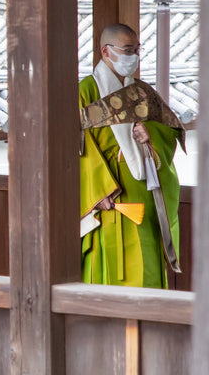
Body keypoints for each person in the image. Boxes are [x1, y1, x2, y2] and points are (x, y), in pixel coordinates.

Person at [79, 23, 185, 288]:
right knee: (110, 273)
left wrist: (151, 134)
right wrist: (97, 192)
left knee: (147, 268)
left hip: (145, 196)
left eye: (137, 49)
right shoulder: (85, 92)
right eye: (128, 50)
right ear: (106, 51)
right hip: (111, 196)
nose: (134, 56)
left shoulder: (143, 91)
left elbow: (170, 130)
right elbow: (75, 146)